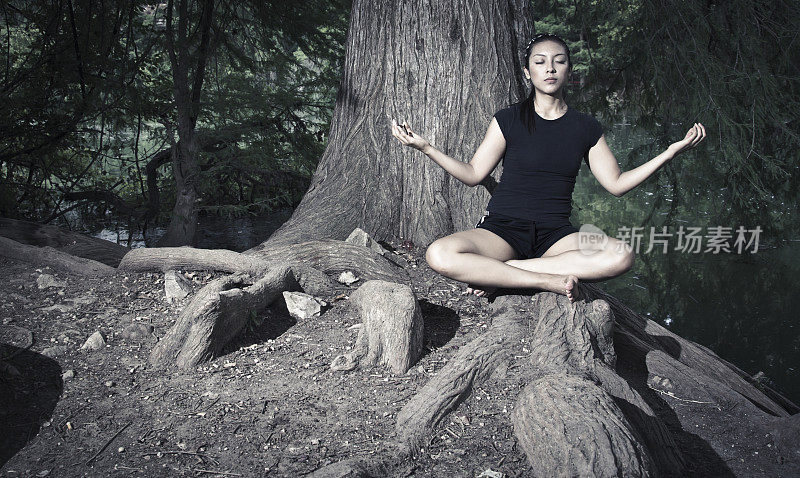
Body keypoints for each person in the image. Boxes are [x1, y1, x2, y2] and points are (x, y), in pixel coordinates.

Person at [389, 33, 706, 303]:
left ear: (569, 69)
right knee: (439, 254)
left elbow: (617, 184)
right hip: (503, 229)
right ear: (528, 72)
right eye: (540, 62)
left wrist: (669, 152)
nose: (550, 68)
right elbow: (474, 174)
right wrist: (425, 147)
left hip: (558, 235)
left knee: (621, 255)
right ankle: (542, 279)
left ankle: (507, 273)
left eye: (559, 61)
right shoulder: (508, 119)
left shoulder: (586, 126)